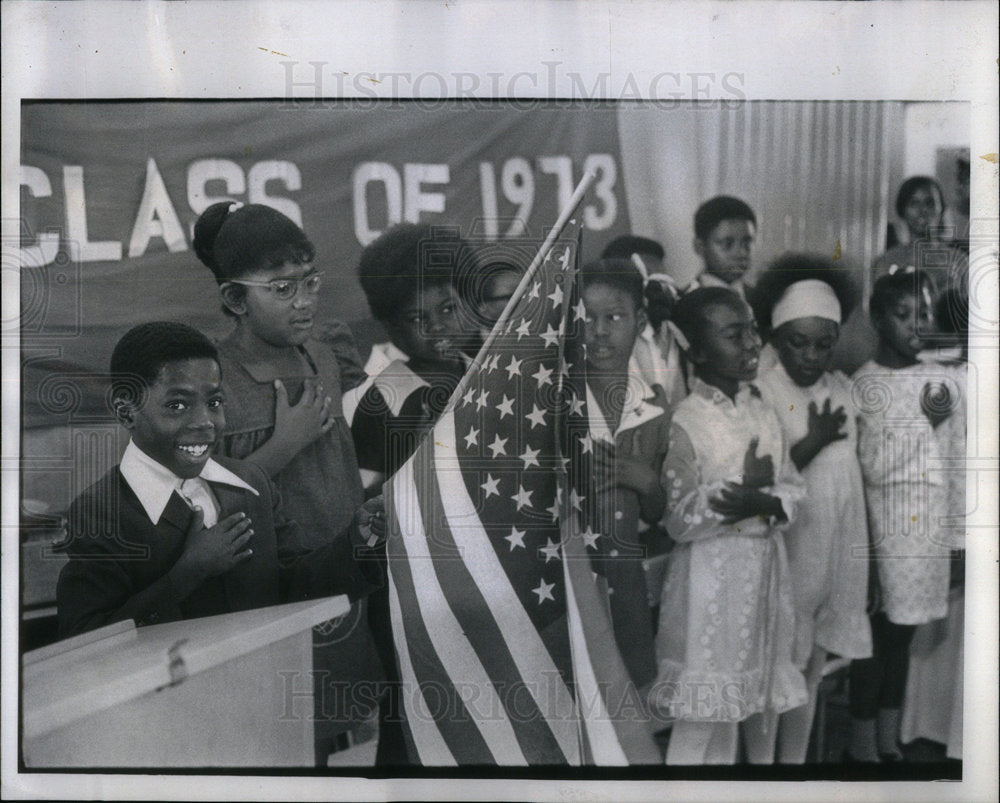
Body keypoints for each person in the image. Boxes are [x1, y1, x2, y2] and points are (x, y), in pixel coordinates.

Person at [192, 201, 382, 763]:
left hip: (345, 569)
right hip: (268, 591)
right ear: (235, 300)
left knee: (348, 723)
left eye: (310, 281)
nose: (304, 301)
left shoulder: (322, 354)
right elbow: (202, 495)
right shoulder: (211, 377)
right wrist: (284, 444)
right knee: (288, 740)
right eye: (281, 288)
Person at [56, 322, 384, 640]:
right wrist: (187, 573)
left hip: (258, 685)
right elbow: (86, 641)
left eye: (214, 403)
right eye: (177, 405)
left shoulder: (249, 483)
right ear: (126, 412)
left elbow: (294, 586)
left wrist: (358, 539)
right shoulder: (98, 513)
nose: (204, 422)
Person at [649, 288, 807, 765]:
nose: (752, 344)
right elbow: (677, 519)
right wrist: (742, 493)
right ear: (697, 351)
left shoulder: (763, 409)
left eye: (753, 331)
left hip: (762, 580)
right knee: (703, 715)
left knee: (746, 706)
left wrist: (767, 500)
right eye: (734, 335)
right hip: (710, 588)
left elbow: (793, 488)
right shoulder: (687, 420)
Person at [347, 222, 470, 765]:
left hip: (481, 568)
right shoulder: (387, 394)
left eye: (447, 309)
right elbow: (365, 496)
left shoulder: (483, 375)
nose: (438, 328)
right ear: (389, 325)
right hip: (413, 577)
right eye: (418, 319)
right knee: (416, 710)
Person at [752, 255, 872, 763]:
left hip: (833, 562)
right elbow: (765, 479)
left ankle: (793, 769)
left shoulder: (842, 390)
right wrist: (813, 440)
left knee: (812, 672)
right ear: (776, 339)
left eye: (824, 344)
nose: (810, 356)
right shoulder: (764, 393)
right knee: (776, 671)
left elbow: (852, 485)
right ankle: (759, 773)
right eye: (797, 343)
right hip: (789, 562)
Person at [848, 268, 955, 762]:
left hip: (926, 535)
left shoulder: (940, 380)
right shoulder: (864, 385)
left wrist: (954, 538)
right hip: (886, 532)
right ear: (877, 318)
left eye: (925, 313)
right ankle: (860, 741)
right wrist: (922, 425)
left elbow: (952, 462)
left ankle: (888, 738)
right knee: (876, 640)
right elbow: (871, 464)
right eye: (903, 314)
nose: (917, 325)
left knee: (903, 638)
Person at [580, 258, 671, 693]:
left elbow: (658, 514)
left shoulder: (653, 409)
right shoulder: (558, 403)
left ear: (640, 321)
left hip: (627, 586)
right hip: (571, 588)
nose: (599, 331)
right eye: (586, 318)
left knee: (627, 704)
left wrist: (646, 482)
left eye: (614, 317)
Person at [601, 236, 687, 407]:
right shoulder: (603, 341)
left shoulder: (678, 335)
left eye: (662, 279)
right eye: (645, 279)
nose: (656, 288)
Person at [872, 176, 968, 300]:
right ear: (902, 210)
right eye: (914, 203)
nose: (922, 211)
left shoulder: (959, 261)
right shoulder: (887, 261)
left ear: (941, 208)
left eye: (929, 203)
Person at [688, 196, 758, 301]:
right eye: (727, 244)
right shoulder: (684, 301)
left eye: (747, 243)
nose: (742, 253)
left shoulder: (763, 302)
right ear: (700, 246)